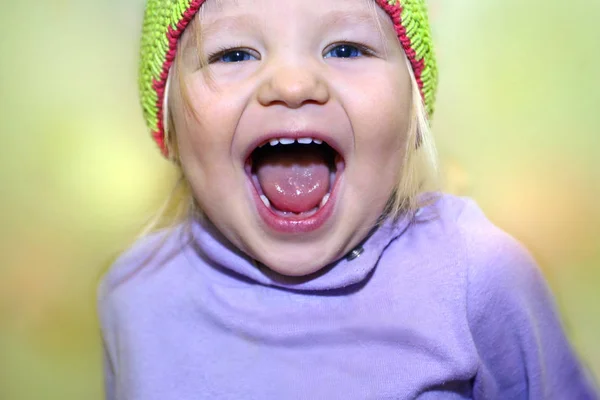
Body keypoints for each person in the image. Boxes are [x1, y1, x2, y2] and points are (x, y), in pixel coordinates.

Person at [98, 0, 598, 398]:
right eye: (233, 54)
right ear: (171, 125)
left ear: (411, 113)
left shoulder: (478, 275)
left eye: (346, 48)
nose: (292, 84)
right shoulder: (134, 297)